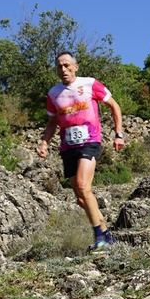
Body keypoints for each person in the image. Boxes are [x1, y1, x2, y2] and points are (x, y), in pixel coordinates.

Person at [37, 52, 125, 252]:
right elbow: (52, 122)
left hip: (90, 142)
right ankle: (106, 233)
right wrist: (44, 142)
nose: (64, 69)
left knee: (84, 186)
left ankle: (100, 238)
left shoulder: (90, 84)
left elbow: (114, 106)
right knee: (80, 197)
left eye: (67, 65)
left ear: (75, 67)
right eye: (59, 66)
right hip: (68, 147)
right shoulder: (53, 94)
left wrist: (119, 134)